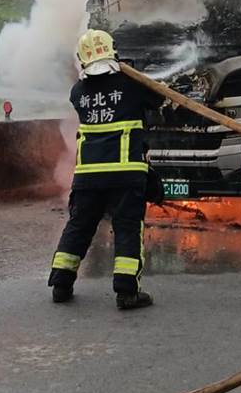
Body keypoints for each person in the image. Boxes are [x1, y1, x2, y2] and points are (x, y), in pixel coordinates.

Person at [48, 30, 163, 310]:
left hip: (88, 177)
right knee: (126, 229)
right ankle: (127, 292)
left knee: (79, 226)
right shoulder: (132, 85)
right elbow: (158, 99)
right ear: (113, 51)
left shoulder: (78, 92)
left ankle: (61, 283)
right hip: (126, 174)